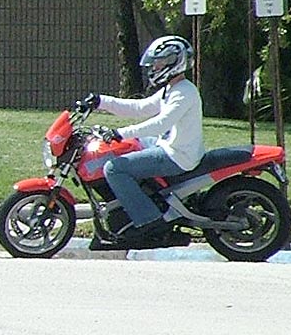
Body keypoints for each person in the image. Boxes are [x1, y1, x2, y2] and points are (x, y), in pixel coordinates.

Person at [82, 35, 203, 248]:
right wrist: (100, 101)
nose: (155, 67)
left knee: (114, 168)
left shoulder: (184, 92)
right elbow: (140, 108)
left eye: (159, 62)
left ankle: (149, 222)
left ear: (175, 62)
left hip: (177, 155)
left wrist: (120, 133)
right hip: (167, 145)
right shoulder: (171, 89)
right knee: (124, 149)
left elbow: (161, 123)